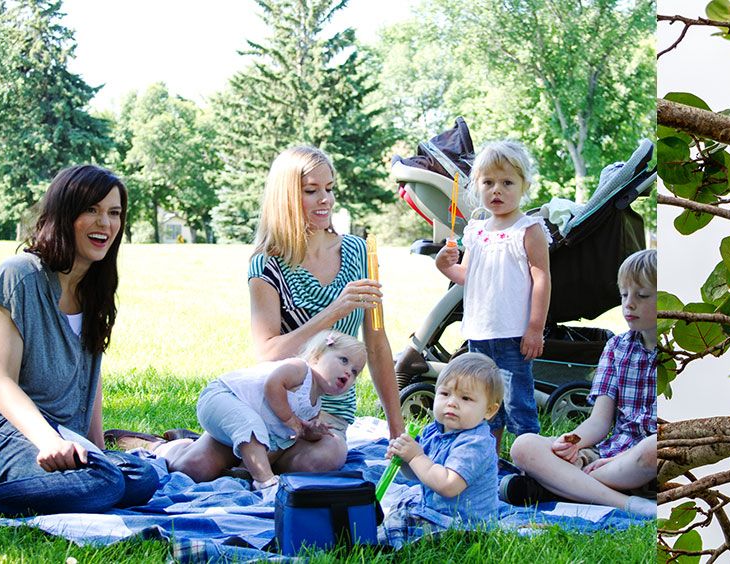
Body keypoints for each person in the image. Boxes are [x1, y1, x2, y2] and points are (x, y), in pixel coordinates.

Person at [166, 146, 404, 480]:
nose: (326, 200)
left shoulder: (360, 253)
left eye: (330, 188)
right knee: (192, 469)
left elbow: (377, 346)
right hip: (270, 400)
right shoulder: (266, 263)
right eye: (311, 191)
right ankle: (170, 447)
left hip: (327, 411)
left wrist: (398, 431)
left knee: (323, 459)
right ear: (287, 197)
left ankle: (251, 462)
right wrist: (335, 310)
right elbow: (267, 352)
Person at [0, 165, 159, 516]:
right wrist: (49, 442)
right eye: (91, 209)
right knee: (104, 483)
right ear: (65, 213)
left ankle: (68, 485)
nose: (105, 223)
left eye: (114, 213)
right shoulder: (20, 275)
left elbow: (91, 376)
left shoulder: (93, 289)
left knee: (142, 478)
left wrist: (95, 447)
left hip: (60, 435)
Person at [506, 250, 665, 517]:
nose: (629, 304)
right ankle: (626, 503)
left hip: (642, 459)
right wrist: (574, 442)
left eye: (642, 295)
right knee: (524, 446)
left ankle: (561, 486)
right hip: (605, 457)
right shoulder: (616, 347)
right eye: (624, 295)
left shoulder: (679, 354)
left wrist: (613, 461)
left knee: (654, 448)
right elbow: (599, 421)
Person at [434, 140, 551, 438]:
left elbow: (541, 279)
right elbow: (466, 276)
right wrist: (445, 266)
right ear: (477, 186)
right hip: (479, 333)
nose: (496, 189)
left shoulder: (528, 229)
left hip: (513, 334)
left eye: (507, 182)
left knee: (517, 403)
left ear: (524, 186)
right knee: (485, 404)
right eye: (488, 182)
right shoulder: (475, 231)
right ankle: (491, 461)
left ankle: (531, 465)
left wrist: (535, 327)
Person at [176, 331, 366, 488]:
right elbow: (273, 385)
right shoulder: (299, 369)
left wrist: (312, 431)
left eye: (356, 371)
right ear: (317, 356)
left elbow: (299, 433)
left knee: (278, 439)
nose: (349, 372)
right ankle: (266, 482)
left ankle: (244, 472)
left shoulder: (315, 403)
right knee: (251, 426)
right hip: (222, 396)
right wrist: (290, 419)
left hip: (245, 421)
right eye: (343, 360)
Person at [383, 352, 505, 528]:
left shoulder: (476, 443)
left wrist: (417, 457)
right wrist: (405, 461)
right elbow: (424, 475)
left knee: (394, 528)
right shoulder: (434, 430)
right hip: (435, 513)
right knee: (398, 509)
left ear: (489, 410)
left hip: (463, 525)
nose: (452, 403)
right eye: (445, 393)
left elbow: (448, 485)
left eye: (465, 398)